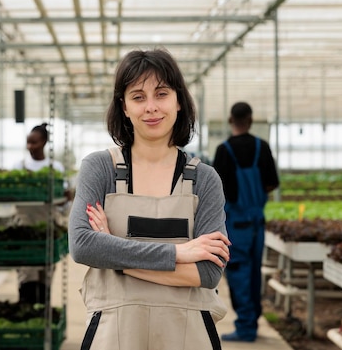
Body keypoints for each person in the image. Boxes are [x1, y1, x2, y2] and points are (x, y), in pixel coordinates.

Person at [68, 48, 231, 350]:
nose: (151, 107)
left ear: (179, 101)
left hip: (188, 335)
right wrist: (180, 254)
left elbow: (208, 272)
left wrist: (116, 257)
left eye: (161, 94)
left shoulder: (204, 179)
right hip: (113, 335)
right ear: (124, 107)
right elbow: (82, 245)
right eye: (138, 97)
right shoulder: (100, 168)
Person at [212, 101, 280, 342]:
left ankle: (246, 327)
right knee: (253, 274)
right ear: (250, 121)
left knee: (239, 273)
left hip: (236, 223)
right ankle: (251, 321)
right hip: (257, 223)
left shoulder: (224, 150)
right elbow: (272, 183)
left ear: (231, 121)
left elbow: (216, 189)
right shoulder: (262, 148)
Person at [12, 123, 65, 304]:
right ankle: (26, 312)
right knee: (26, 273)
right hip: (24, 228)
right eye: (28, 142)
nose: (30, 147)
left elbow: (62, 205)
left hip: (47, 228)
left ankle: (43, 317)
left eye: (33, 142)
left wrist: (67, 197)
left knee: (45, 274)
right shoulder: (19, 167)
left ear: (43, 142)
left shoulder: (55, 168)